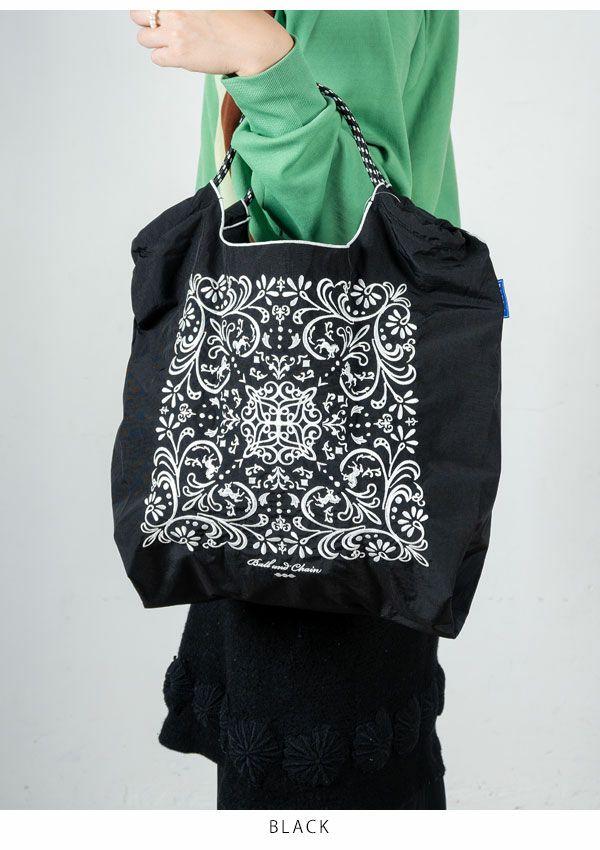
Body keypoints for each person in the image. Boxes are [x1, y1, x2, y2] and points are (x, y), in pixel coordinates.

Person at [131, 9, 459, 809]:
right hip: (321, 441)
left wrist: (264, 61)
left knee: (314, 785)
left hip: (316, 453)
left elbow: (346, 231)